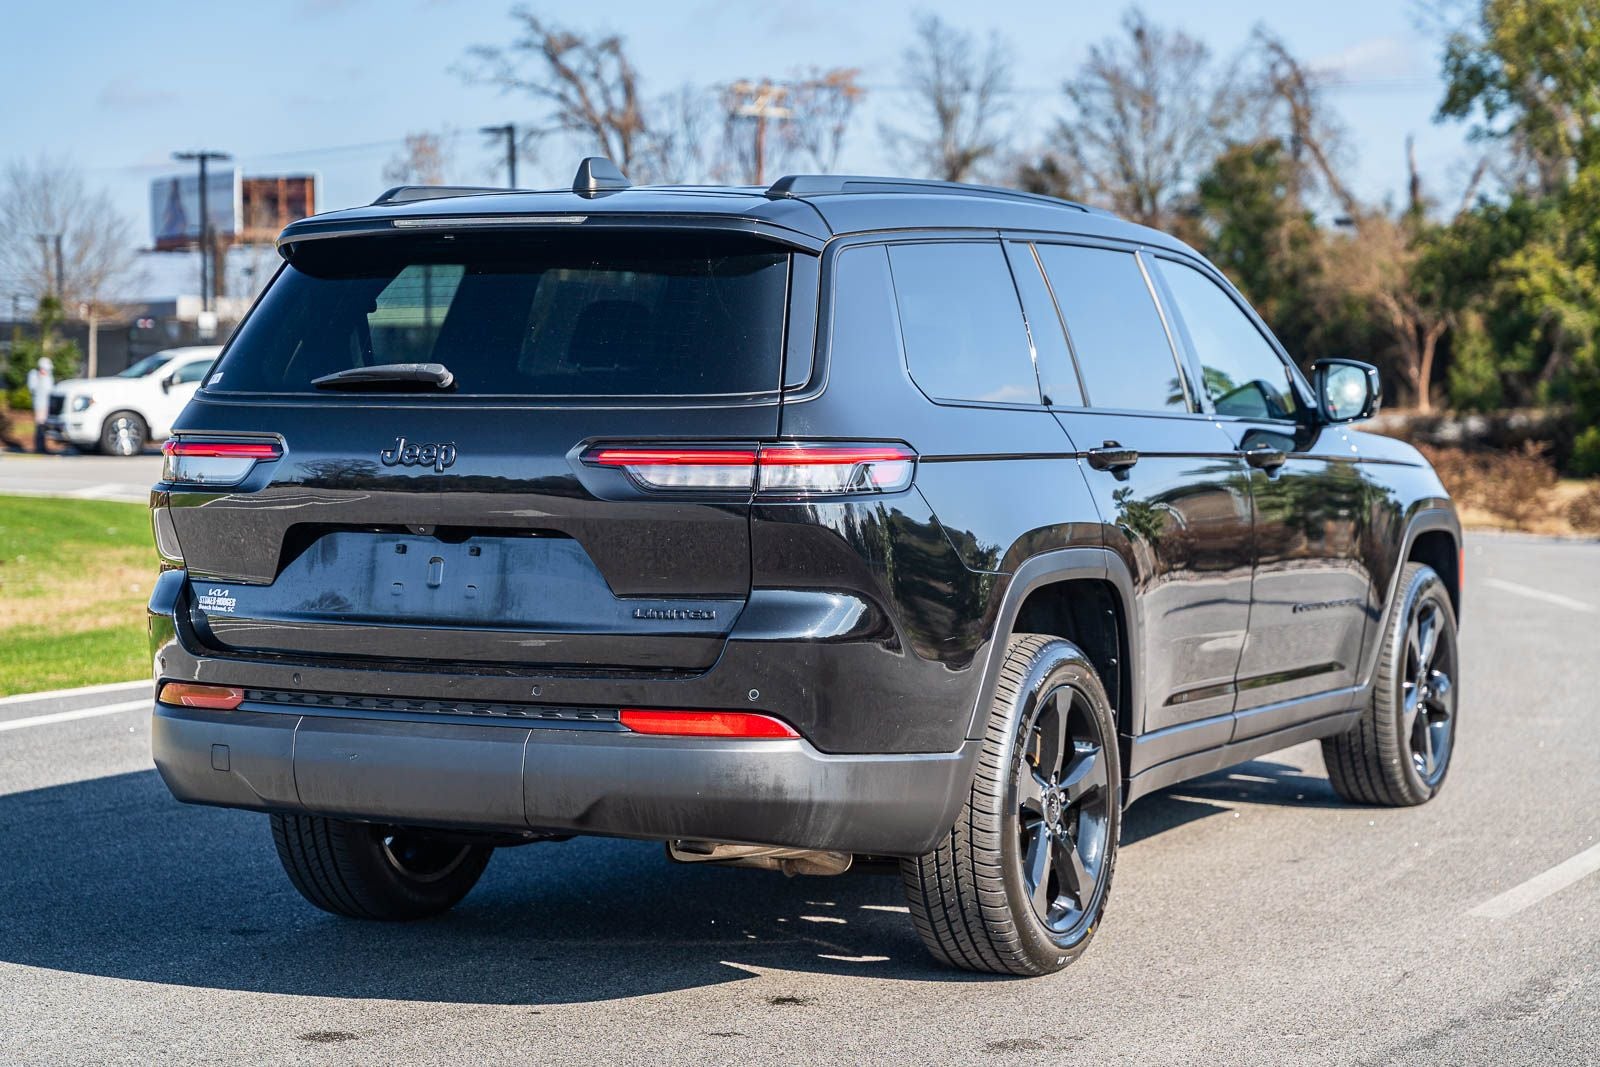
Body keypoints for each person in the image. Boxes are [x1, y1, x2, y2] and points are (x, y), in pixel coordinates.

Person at [26, 355, 53, 453]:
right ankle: (39, 447)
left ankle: (43, 447)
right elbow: (32, 388)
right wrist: (40, 377)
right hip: (39, 405)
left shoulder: (49, 377)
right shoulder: (34, 375)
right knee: (40, 426)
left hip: (48, 405)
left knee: (45, 427)